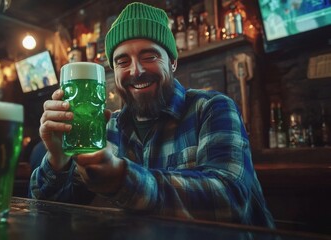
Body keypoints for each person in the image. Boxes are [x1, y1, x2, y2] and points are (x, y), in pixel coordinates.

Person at [30, 2, 275, 228]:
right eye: (122, 62)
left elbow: (230, 198)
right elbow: (48, 207)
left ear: (173, 61)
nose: (136, 71)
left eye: (149, 56)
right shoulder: (109, 127)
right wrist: (57, 157)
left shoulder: (212, 108)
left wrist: (123, 179)